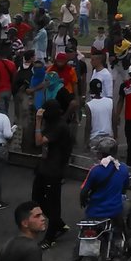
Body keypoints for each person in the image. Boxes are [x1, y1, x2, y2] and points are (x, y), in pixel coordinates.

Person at [68, 135, 131, 261]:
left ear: (101, 153)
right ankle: (123, 246)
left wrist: (84, 201)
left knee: (82, 236)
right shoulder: (123, 169)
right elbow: (124, 190)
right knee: (124, 218)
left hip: (94, 212)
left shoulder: (95, 171)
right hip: (114, 211)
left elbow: (84, 191)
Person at [32, 99, 72, 249]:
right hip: (45, 167)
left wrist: (37, 121)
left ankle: (50, 237)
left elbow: (38, 141)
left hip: (54, 170)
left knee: (53, 204)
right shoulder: (53, 124)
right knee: (37, 199)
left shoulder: (59, 127)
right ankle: (59, 224)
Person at [84, 78, 115, 153]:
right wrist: (115, 137)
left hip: (95, 139)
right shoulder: (110, 101)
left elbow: (88, 126)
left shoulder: (89, 105)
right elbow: (114, 121)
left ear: (90, 90)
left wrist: (86, 142)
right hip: (109, 138)